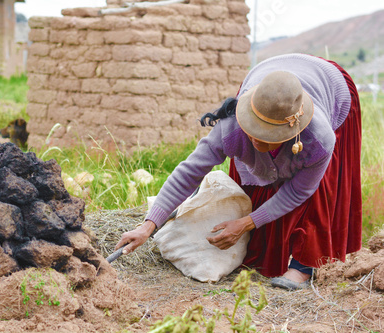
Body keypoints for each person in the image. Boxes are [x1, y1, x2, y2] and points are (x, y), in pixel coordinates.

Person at [114, 53, 362, 290]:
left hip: (331, 85)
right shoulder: (233, 125)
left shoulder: (318, 139)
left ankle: (304, 264)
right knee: (254, 176)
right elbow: (189, 172)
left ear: (292, 132)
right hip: (268, 81)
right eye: (253, 128)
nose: (256, 141)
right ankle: (265, 252)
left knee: (319, 188)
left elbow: (300, 191)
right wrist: (148, 226)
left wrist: (246, 222)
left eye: (268, 136)